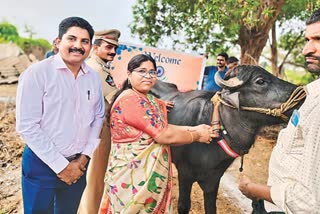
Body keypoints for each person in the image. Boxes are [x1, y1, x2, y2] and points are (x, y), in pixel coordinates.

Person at [99, 54, 215, 213]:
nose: (148, 76)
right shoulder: (131, 100)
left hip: (141, 177)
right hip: (132, 178)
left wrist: (195, 128)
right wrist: (197, 135)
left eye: (152, 72)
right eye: (142, 71)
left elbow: (162, 126)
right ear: (129, 74)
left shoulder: (147, 99)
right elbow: (164, 134)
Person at [16, 16, 105, 213]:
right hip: (41, 165)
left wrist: (82, 160)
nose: (78, 46)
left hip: (78, 164)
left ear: (90, 47)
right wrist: (61, 167)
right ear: (58, 42)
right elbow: (27, 126)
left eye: (84, 41)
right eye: (71, 39)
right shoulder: (37, 74)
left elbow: (98, 117)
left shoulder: (93, 78)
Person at [239, 8, 320, 213]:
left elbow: (310, 201)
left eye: (318, 39)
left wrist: (253, 190)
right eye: (307, 40)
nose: (306, 50)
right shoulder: (312, 93)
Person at [78, 29, 121, 214]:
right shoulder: (95, 69)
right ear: (96, 47)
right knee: (94, 177)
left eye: (115, 48)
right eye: (108, 47)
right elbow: (115, 99)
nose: (112, 52)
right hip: (98, 130)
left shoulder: (101, 67)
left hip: (95, 129)